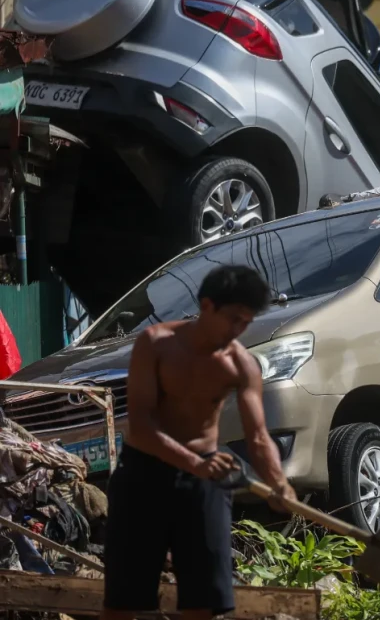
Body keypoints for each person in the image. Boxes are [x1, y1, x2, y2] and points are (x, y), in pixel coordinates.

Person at [102, 265, 297, 620]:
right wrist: (195, 462)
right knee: (124, 601)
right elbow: (141, 425)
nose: (238, 331)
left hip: (204, 481)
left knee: (203, 602)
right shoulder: (156, 344)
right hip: (144, 475)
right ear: (207, 306)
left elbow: (257, 436)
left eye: (246, 323)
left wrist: (279, 482)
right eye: (233, 319)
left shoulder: (241, 364)